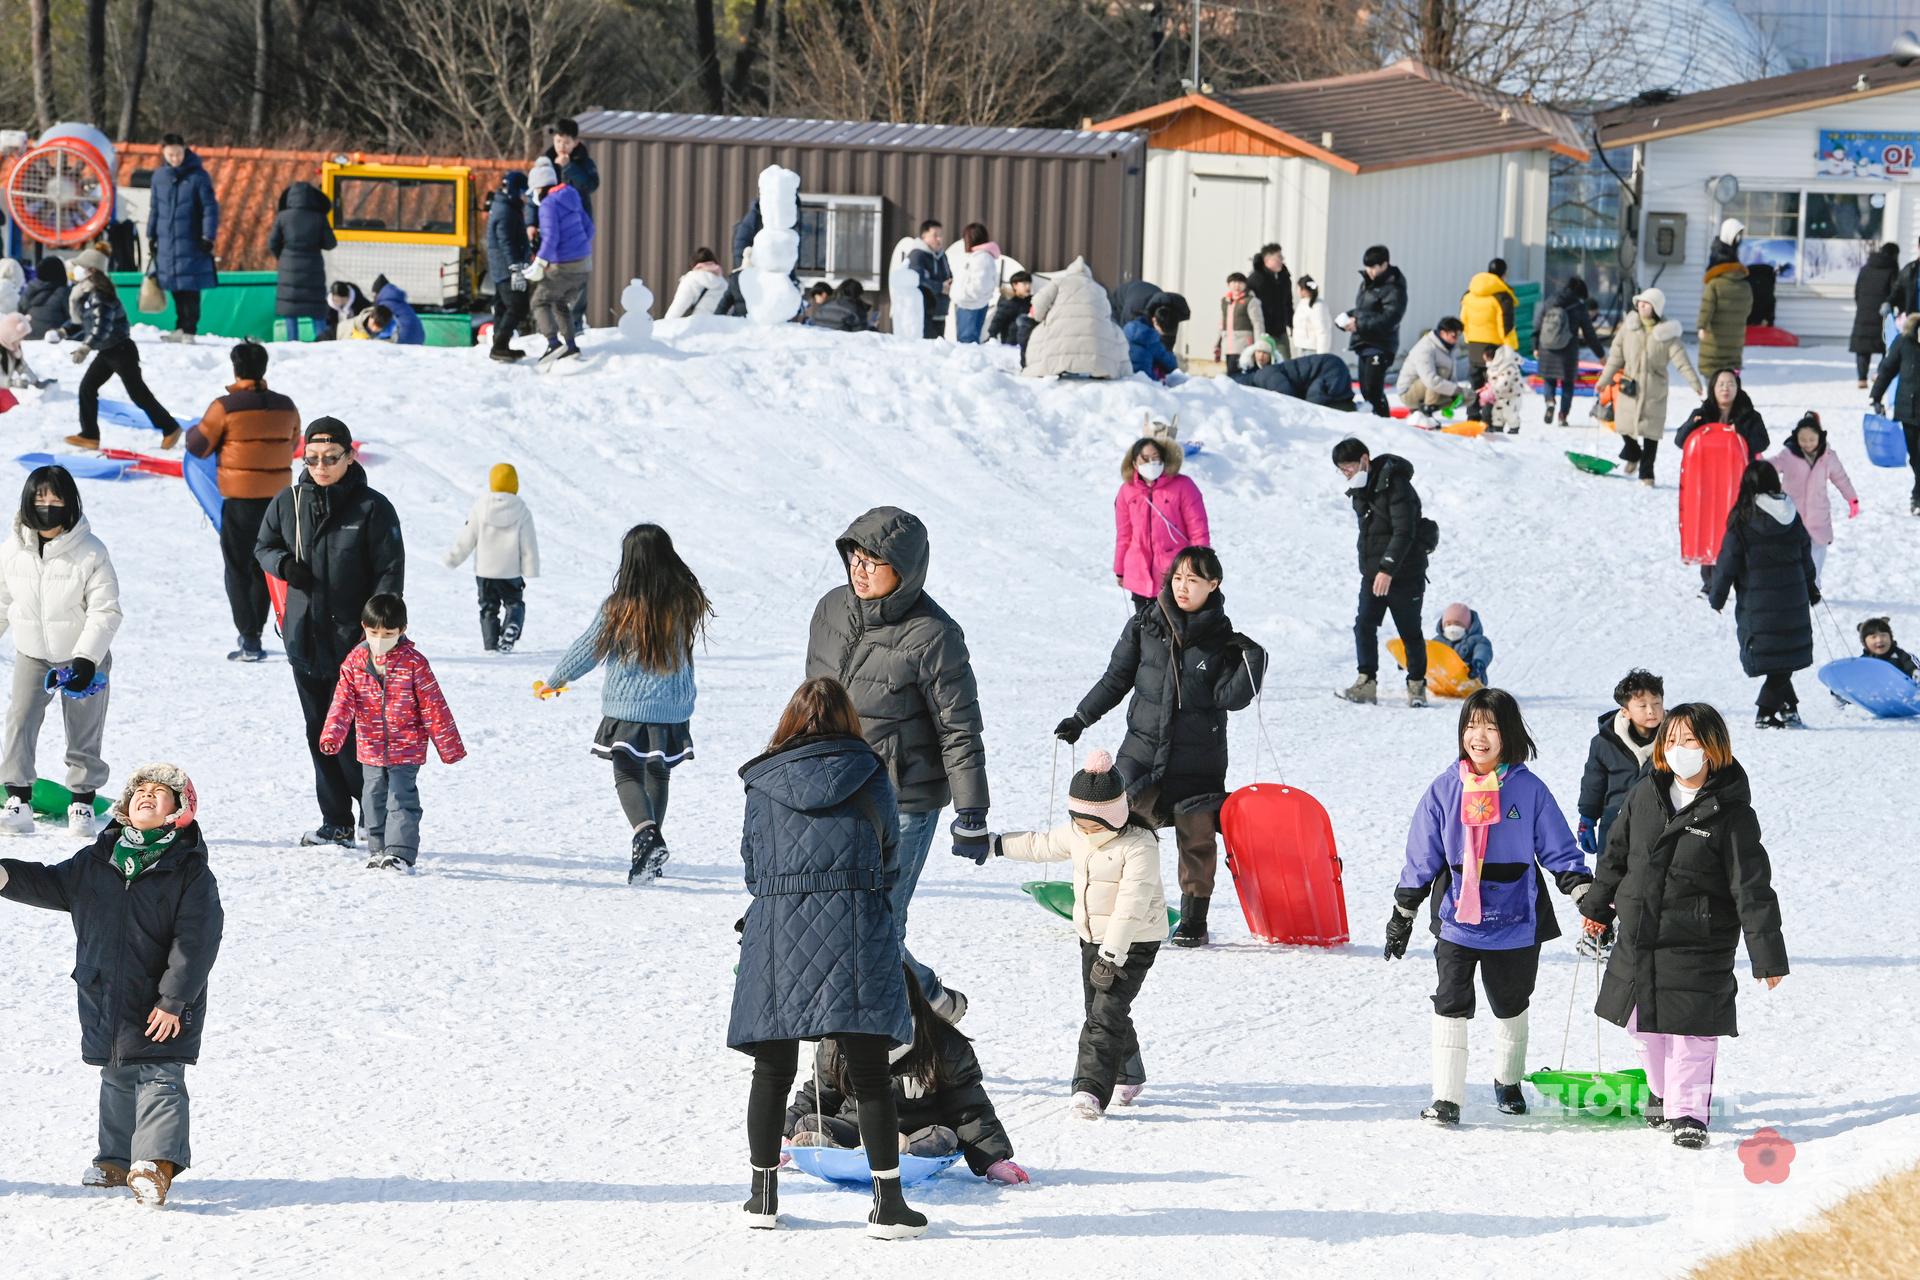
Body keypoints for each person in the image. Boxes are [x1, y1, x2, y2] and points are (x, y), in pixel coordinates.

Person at [727, 677, 926, 1240]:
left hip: (776, 932)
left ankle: (762, 1197)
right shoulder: (870, 774)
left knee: (771, 1070)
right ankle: (888, 1206)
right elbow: (890, 860)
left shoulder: (762, 785)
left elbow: (753, 868)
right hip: (856, 929)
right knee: (868, 1072)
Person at [0, 763, 220, 1206]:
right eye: (140, 789)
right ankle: (116, 1162)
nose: (147, 795)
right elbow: (48, 881)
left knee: (160, 1077)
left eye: (161, 792)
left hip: (165, 999)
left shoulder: (189, 869)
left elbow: (197, 939)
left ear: (180, 811)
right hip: (106, 994)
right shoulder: (96, 861)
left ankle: (155, 1165)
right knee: (117, 1074)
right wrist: (4, 876)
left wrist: (174, 998)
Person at [805, 508, 988, 1022]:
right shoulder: (830, 610)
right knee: (838, 913)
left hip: (902, 799)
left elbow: (959, 727)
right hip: (832, 789)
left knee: (879, 919)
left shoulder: (934, 634)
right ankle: (925, 996)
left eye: (874, 563)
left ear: (904, 571)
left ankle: (894, 1038)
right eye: (855, 560)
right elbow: (811, 699)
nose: (860, 572)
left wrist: (971, 811)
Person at [1577, 703, 1788, 1149]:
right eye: (1671, 740)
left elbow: (1752, 887)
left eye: (1689, 741)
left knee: (1692, 1033)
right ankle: (1661, 1091)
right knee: (1641, 1027)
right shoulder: (1644, 794)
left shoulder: (1731, 814)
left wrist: (1766, 956)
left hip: (1698, 941)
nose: (1678, 750)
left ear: (1713, 748)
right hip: (1639, 936)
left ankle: (1689, 1112)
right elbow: (1614, 855)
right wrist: (1598, 907)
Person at [1384, 688, 1592, 1126]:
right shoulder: (1445, 789)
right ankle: (1447, 1097)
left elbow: (1558, 849)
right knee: (1450, 1000)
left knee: (1511, 1002)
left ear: (1508, 734)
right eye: (1472, 725)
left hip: (1517, 917)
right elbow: (1423, 855)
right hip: (1459, 917)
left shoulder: (1529, 789)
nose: (1479, 736)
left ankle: (1508, 1081)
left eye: (1492, 727)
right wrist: (1404, 911)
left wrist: (1580, 891)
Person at [1057, 546, 1266, 949]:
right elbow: (1115, 680)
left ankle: (1193, 920)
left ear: (1213, 584)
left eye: (1193, 580)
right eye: (1177, 578)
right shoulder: (1145, 625)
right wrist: (1081, 718)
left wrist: (1252, 661)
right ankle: (1111, 905)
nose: (1183, 587)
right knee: (1115, 826)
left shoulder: (1222, 640)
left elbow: (1230, 698)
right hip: (1142, 752)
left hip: (1198, 760)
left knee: (1198, 838)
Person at [987, 747, 1169, 1116]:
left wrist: (1112, 955)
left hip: (1133, 939)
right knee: (1103, 1008)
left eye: (1093, 824)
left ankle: (1088, 1091)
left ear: (1115, 816)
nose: (1084, 830)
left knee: (1103, 1015)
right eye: (1079, 822)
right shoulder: (1077, 833)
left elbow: (1130, 906)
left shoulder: (1139, 846)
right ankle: (1128, 1072)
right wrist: (994, 845)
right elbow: (1041, 844)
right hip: (1092, 935)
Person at [255, 417, 404, 846]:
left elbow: (390, 571)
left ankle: (373, 812)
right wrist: (284, 566)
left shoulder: (373, 508)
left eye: (331, 458)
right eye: (313, 458)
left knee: (359, 730)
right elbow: (263, 546)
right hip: (304, 637)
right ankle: (335, 819)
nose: (321, 466)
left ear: (349, 456)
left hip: (357, 644)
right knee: (319, 728)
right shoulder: (289, 501)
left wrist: (378, 632)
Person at [539, 523, 710, 883]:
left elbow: (588, 648)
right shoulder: (684, 601)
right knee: (658, 772)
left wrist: (556, 679)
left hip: (629, 707)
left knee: (626, 772)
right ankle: (653, 856)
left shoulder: (620, 608)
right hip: (673, 708)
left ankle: (646, 835)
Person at [785, 966, 1026, 1182]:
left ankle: (900, 1152)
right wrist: (783, 1135)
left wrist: (993, 1160)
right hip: (856, 1130)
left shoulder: (941, 1044)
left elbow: (968, 1109)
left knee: (943, 1137)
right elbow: (820, 1094)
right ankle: (838, 1149)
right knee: (810, 1122)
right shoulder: (840, 1042)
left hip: (916, 1135)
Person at [0, 466, 122, 837]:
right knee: (20, 722)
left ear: (70, 503)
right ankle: (18, 799)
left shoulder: (90, 551)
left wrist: (87, 658)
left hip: (83, 655)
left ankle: (82, 802)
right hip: (33, 653)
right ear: (28, 501)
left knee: (84, 729)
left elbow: (106, 609)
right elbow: (2, 600)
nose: (48, 505)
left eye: (56, 498)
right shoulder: (12, 550)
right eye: (40, 498)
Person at [319, 594, 466, 873]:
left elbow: (434, 706)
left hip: (406, 747)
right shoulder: (355, 662)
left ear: (402, 630)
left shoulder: (414, 663)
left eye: (388, 633)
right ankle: (378, 850)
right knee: (372, 797)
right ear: (364, 627)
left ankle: (400, 853)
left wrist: (449, 747)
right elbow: (343, 702)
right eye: (374, 632)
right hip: (371, 748)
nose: (380, 639)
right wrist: (332, 736)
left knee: (400, 798)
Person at [184, 340, 301, 662]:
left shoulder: (225, 406)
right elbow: (292, 444)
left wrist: (192, 429)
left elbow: (198, 447)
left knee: (238, 568)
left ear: (235, 369)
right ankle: (270, 629)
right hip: (279, 502)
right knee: (267, 566)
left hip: (239, 500)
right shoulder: (286, 405)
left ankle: (249, 638)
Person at [1707, 461, 1819, 729]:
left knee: (1778, 656)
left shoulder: (1744, 517)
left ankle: (1765, 711)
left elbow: (1727, 563)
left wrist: (1717, 596)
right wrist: (1811, 587)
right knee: (1785, 654)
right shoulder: (1790, 513)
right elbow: (1806, 554)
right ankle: (1789, 708)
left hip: (1759, 603)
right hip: (1792, 599)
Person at [1333, 437, 1436, 707]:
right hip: (1373, 575)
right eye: (1342, 470)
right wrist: (1375, 570)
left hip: (1405, 573)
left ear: (1364, 460)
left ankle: (1416, 686)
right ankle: (1366, 682)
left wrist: (1387, 568)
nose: (1347, 474)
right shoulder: (1361, 489)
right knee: (1364, 625)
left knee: (1409, 631)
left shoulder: (1396, 484)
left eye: (1349, 468)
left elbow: (1404, 531)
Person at [57, 248, 182, 452]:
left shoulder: (100, 295)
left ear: (90, 270)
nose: (75, 270)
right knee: (87, 388)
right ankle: (89, 435)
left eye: (79, 267)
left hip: (121, 351)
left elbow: (101, 327)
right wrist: (63, 331)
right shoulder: (86, 293)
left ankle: (170, 428)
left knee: (138, 394)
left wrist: (85, 347)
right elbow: (84, 323)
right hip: (109, 351)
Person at [1598, 287, 1703, 486]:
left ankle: (1647, 474)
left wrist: (1694, 383)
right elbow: (1615, 357)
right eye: (1640, 302)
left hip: (1655, 388)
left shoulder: (1667, 334)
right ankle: (1633, 453)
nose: (1641, 305)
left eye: (1646, 303)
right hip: (1630, 386)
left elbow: (1682, 361)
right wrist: (1603, 380)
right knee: (1623, 425)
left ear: (1655, 308)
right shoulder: (1628, 328)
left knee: (1651, 434)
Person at [444, 462, 539, 653]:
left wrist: (453, 558)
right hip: (510, 571)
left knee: (488, 608)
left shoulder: (481, 506)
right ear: (515, 484)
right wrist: (530, 568)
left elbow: (467, 536)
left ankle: (491, 645)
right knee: (514, 603)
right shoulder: (521, 509)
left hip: (485, 571)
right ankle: (512, 625)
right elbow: (528, 542)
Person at [1113, 434, 1209, 612]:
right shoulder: (1127, 491)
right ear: (1134, 463)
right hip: (1139, 572)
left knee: (1174, 630)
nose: (1151, 463)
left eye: (1155, 458)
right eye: (1145, 459)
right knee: (1145, 631)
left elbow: (1198, 529)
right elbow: (1124, 534)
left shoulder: (1183, 486)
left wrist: (1202, 566)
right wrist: (1119, 569)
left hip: (1175, 574)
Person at [1576, 668, 1664, 858]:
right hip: (1614, 826)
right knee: (1611, 881)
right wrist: (1587, 820)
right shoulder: (1604, 743)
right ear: (1626, 711)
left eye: (1657, 703)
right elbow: (1593, 784)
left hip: (1660, 829)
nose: (1651, 710)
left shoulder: (1677, 738)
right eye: (1642, 706)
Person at [1768, 411, 1857, 586]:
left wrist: (1852, 499)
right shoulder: (1788, 455)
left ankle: (1813, 584)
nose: (1808, 443)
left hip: (1818, 513)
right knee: (1790, 550)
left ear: (1819, 436)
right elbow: (1770, 467)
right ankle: (1792, 584)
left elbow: (1841, 478)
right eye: (1803, 439)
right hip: (1792, 514)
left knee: (1818, 549)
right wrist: (1756, 464)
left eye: (1812, 439)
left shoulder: (1828, 456)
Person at [146, 134, 219, 343]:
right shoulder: (159, 176)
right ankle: (179, 326)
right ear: (163, 153)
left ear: (185, 150)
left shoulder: (198, 176)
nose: (175, 158)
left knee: (190, 286)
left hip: (192, 239)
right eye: (170, 154)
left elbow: (210, 208)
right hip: (167, 239)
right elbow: (155, 207)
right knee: (174, 285)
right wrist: (151, 233)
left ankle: (190, 329)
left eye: (178, 153)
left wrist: (208, 235)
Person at [526, 158, 595, 362]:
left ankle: (553, 344)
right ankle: (571, 346)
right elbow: (589, 228)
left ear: (539, 187)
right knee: (559, 301)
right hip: (584, 264)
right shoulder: (571, 195)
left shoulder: (548, 204)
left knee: (539, 302)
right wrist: (577, 247)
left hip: (565, 265)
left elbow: (551, 238)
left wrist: (540, 262)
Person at [1021, 258, 1131, 380]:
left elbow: (1038, 306)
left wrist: (1042, 317)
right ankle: (1104, 367)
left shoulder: (1058, 283)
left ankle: (1046, 366)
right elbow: (1107, 316)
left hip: (1058, 346)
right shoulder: (1100, 290)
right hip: (1097, 352)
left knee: (1036, 333)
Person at [1339, 245, 1407, 418]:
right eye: (1367, 267)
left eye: (1373, 267)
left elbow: (1390, 318)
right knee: (1365, 389)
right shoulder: (1367, 283)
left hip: (1380, 345)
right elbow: (1364, 310)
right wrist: (1348, 318)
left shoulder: (1395, 288)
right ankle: (1375, 422)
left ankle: (1383, 423)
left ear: (1384, 264)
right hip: (1363, 342)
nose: (1369, 271)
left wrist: (1358, 324)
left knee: (1373, 390)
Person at [1532, 276, 1606, 427]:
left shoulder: (1549, 301)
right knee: (1567, 384)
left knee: (1549, 379)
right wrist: (1601, 354)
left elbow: (1537, 325)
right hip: (1568, 351)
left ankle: (1550, 401)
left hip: (1547, 348)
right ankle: (1562, 416)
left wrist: (1535, 346)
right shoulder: (1579, 307)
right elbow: (1589, 334)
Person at [267, 180, 337, 341]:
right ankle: (322, 342)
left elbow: (272, 243)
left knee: (290, 310)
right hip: (313, 269)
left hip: (288, 269)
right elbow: (331, 243)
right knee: (317, 311)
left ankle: (292, 343)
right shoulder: (319, 217)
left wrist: (282, 258)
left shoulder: (283, 216)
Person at [1869, 311, 1920, 517]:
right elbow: (1887, 369)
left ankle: (1917, 497)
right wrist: (1875, 397)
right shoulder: (1903, 342)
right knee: (1916, 458)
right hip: (1909, 412)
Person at [1458, 257, 1518, 411]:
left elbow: (1463, 319)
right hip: (1494, 348)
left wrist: (1468, 338)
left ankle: (1472, 415)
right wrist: (1508, 348)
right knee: (1493, 385)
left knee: (1475, 383)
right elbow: (1506, 326)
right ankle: (1488, 419)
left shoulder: (1469, 294)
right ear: (1504, 274)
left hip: (1474, 345)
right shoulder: (1502, 296)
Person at [485, 171, 532, 362]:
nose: (523, 196)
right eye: (522, 192)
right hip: (505, 267)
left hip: (500, 266)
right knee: (518, 305)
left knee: (503, 306)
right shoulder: (505, 211)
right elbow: (506, 241)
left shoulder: (503, 206)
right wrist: (515, 267)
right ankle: (499, 345)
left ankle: (500, 344)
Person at [1698, 218, 1753, 376]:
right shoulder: (1735, 282)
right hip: (1729, 337)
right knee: (1726, 377)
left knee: (1718, 374)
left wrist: (1702, 326)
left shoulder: (1716, 283)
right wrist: (1702, 325)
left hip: (1722, 338)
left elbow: (1707, 305)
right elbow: (1708, 305)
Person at [1675, 368, 1769, 460]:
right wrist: (1690, 425)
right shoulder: (1700, 415)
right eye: (1721, 384)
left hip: (1740, 469)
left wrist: (1740, 433)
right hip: (1706, 470)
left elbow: (1762, 444)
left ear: (1737, 388)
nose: (1725, 388)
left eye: (1730, 384)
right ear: (1713, 388)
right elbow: (1680, 442)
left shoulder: (1750, 416)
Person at [1394, 318, 1463, 427]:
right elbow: (1430, 379)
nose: (1456, 339)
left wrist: (1456, 393)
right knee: (1440, 374)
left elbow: (1452, 376)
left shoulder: (1449, 349)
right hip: (1408, 392)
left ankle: (1423, 410)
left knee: (1467, 395)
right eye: (1454, 335)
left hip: (1427, 389)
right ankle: (1426, 413)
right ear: (1443, 333)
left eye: (1459, 335)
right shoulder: (1426, 347)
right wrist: (1454, 390)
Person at [1849, 242, 1899, 388]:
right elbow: (1894, 292)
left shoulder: (1865, 268)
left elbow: (1857, 291)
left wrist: (1862, 306)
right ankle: (1879, 374)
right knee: (1887, 346)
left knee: (1862, 347)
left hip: (1863, 312)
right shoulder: (1892, 269)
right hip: (1881, 315)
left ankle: (1862, 379)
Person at [1235, 352, 1355, 410]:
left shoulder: (1263, 375)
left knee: (1314, 407)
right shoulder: (1262, 376)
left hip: (1328, 368)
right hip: (1330, 365)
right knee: (1335, 398)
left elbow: (1287, 396)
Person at [949, 223, 1000, 344]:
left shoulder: (982, 258)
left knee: (967, 342)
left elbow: (979, 286)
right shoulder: (977, 257)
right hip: (968, 305)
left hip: (971, 306)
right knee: (966, 341)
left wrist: (962, 294)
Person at [906, 220, 952, 340]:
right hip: (924, 313)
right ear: (924, 236)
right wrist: (941, 287)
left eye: (941, 235)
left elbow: (948, 276)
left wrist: (949, 285)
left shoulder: (942, 256)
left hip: (940, 311)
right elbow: (917, 279)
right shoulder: (917, 255)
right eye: (935, 235)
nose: (939, 239)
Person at [1248, 244, 1293, 358]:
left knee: (1285, 361)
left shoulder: (1284, 278)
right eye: (1278, 257)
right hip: (1263, 331)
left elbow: (1288, 303)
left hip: (1280, 330)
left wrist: (1291, 323)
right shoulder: (1256, 279)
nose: (1281, 260)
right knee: (1264, 363)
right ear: (1267, 259)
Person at [1214, 272, 1264, 373]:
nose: (1237, 285)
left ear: (1245, 285)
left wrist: (1259, 345)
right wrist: (1218, 344)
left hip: (1245, 345)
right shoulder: (1225, 301)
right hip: (1228, 345)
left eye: (1240, 283)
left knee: (1244, 374)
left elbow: (1258, 324)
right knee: (1231, 373)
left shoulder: (1250, 301)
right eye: (1234, 282)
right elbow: (1222, 323)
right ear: (1229, 285)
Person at [1435, 602, 1492, 688]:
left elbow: (1483, 650)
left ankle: (1473, 679)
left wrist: (1478, 663)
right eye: (1448, 624)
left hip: (1471, 675)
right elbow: (1429, 652)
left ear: (1468, 626)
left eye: (1457, 624)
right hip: (1444, 678)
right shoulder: (1438, 641)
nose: (1452, 628)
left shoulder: (1476, 640)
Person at [661, 248, 729, 320]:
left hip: (699, 325)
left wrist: (666, 324)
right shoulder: (723, 283)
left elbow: (678, 306)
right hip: (722, 326)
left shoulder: (691, 279)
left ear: (694, 263)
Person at [1479, 340, 1527, 433]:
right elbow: (1493, 380)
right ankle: (1497, 427)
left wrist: (1491, 392)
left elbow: (1503, 382)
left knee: (1510, 412)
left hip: (1512, 394)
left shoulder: (1508, 366)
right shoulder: (1493, 365)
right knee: (1497, 413)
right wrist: (1488, 387)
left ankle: (1514, 428)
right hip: (1499, 395)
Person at [1125, 304, 1180, 382]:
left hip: (1124, 378)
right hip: (1146, 381)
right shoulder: (1150, 338)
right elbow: (1170, 363)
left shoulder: (1127, 328)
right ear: (1155, 321)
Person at [23, 257, 71, 341]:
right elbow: (71, 316)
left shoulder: (30, 288)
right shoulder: (64, 292)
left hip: (27, 334)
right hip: (52, 338)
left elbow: (21, 308)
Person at [368, 275, 425, 345]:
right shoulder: (400, 301)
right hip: (419, 337)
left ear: (378, 293)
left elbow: (378, 325)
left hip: (404, 338)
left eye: (374, 294)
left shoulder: (385, 304)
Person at [986, 270, 1033, 350]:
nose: (1028, 286)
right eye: (1024, 284)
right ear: (1015, 285)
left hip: (1027, 343)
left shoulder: (1031, 301)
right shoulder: (1009, 302)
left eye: (1029, 283)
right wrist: (992, 336)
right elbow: (998, 320)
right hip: (1011, 344)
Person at [1290, 274, 1330, 357]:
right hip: (1302, 347)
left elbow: (1322, 331)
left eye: (1299, 288)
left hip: (1312, 349)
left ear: (1304, 289)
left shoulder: (1317, 306)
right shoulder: (1303, 303)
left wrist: (1321, 355)